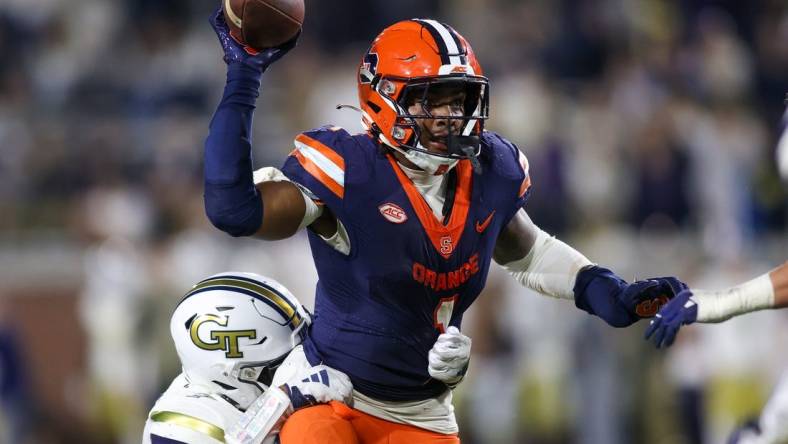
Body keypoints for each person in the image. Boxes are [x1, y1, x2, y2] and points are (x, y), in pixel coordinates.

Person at [203, 7, 687, 442]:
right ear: (384, 99)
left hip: (424, 412)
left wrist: (609, 292)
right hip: (330, 393)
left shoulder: (491, 170)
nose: (450, 117)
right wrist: (244, 73)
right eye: (431, 100)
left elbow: (530, 251)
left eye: (459, 100)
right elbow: (234, 211)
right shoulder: (349, 170)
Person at [142, 272, 353, 444]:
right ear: (236, 374)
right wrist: (280, 402)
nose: (297, 364)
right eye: (279, 364)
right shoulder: (176, 425)